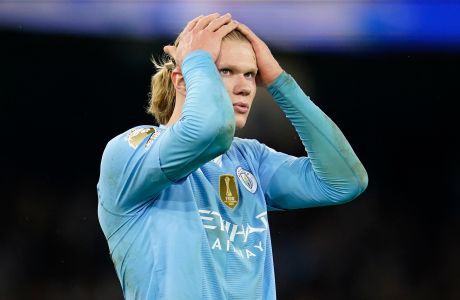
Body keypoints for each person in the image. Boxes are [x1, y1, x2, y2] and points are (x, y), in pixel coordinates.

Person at [97, 13, 368, 300]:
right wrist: (197, 61)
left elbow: (345, 180)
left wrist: (279, 81)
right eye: (225, 71)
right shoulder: (130, 152)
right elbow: (210, 130)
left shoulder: (252, 160)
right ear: (182, 79)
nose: (246, 87)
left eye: (250, 74)